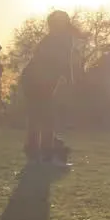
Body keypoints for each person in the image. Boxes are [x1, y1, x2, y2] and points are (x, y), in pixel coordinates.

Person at [20, 9, 77, 165]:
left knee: (38, 116)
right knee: (45, 117)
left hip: (34, 79)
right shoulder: (62, 39)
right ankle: (45, 154)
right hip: (37, 80)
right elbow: (64, 62)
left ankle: (35, 152)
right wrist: (70, 81)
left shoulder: (52, 38)